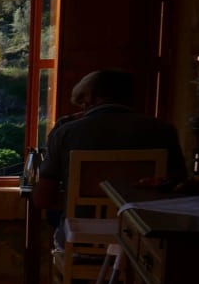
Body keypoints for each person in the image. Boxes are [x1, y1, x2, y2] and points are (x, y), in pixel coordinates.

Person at [33, 69, 186, 217]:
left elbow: (42, 199)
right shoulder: (164, 131)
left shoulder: (66, 133)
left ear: (91, 97)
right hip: (141, 227)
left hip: (84, 228)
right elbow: (179, 187)